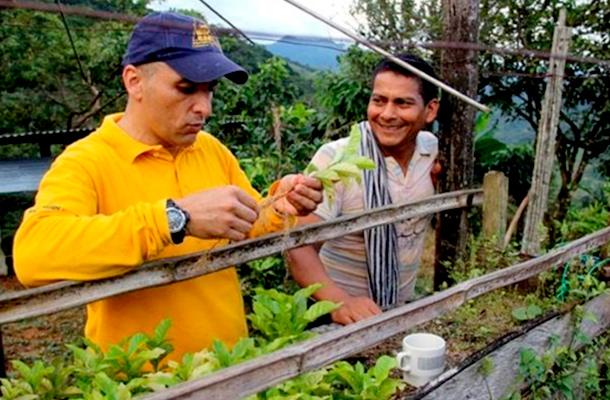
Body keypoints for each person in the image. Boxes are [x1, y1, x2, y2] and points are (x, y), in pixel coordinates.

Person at [13, 12, 323, 361]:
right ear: (134, 81)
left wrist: (280, 204)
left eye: (210, 90)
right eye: (186, 88)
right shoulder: (86, 161)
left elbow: (249, 222)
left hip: (230, 367)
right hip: (143, 383)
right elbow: (33, 254)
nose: (204, 108)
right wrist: (174, 218)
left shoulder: (209, 149)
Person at [287, 54, 440, 325]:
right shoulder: (337, 159)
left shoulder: (431, 151)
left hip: (399, 310)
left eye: (403, 103)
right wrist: (340, 302)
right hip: (335, 317)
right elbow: (299, 246)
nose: (387, 114)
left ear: (430, 110)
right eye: (379, 100)